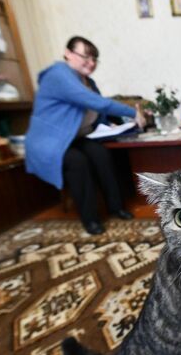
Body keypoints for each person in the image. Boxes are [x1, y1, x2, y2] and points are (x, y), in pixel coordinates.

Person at [25, 36, 146, 235]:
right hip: (50, 143)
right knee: (78, 162)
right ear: (68, 53)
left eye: (94, 59)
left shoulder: (87, 81)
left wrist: (112, 125)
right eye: (86, 57)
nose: (91, 64)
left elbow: (99, 112)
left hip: (74, 138)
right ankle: (90, 220)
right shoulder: (58, 74)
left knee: (101, 154)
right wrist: (133, 112)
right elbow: (96, 102)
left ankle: (116, 207)